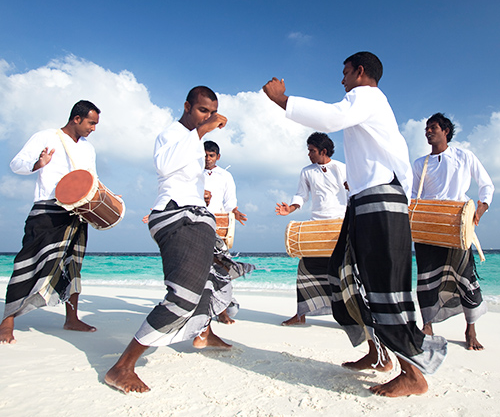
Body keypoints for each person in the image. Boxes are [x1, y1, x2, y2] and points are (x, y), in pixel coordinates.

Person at [263, 51, 447, 397]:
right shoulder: (365, 103)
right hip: (364, 202)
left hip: (381, 201)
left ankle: (413, 374)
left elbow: (332, 117)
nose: (342, 79)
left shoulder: (368, 96)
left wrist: (283, 101)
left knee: (384, 285)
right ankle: (379, 355)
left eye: (345, 72)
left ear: (360, 72)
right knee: (345, 275)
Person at [105, 86, 232, 394]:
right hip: (176, 217)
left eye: (212, 113)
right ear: (187, 106)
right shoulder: (171, 133)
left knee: (210, 281)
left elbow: (182, 176)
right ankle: (122, 367)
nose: (209, 117)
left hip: (197, 216)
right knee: (182, 296)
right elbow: (164, 167)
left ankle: (203, 332)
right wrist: (201, 130)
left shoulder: (194, 141)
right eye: (203, 110)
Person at [0, 100, 101, 344]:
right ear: (76, 118)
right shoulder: (46, 136)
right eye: (91, 123)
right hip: (48, 209)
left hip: (78, 212)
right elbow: (16, 164)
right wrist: (38, 164)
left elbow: (93, 178)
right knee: (28, 261)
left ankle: (71, 318)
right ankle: (7, 320)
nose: (93, 129)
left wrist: (106, 197)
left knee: (72, 266)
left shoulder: (88, 148)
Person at [412, 112, 494, 351]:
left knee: (465, 276)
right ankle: (427, 324)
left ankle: (471, 328)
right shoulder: (420, 163)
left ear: (446, 131)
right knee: (426, 277)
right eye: (426, 128)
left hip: (457, 225)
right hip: (427, 226)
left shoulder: (464, 156)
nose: (428, 131)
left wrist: (481, 208)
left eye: (433, 127)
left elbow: (486, 184)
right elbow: (412, 196)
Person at [276, 132, 347, 326]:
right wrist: (289, 208)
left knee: (343, 273)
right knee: (305, 270)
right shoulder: (306, 171)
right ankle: (301, 315)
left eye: (312, 151)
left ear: (323, 151)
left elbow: (354, 191)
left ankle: (349, 317)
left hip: (339, 225)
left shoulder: (342, 168)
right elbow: (301, 195)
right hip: (315, 226)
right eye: (308, 150)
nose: (309, 154)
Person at [203, 140, 252, 324]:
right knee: (198, 269)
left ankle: (222, 308)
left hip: (218, 226)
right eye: (204, 155)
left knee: (222, 268)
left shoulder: (225, 175)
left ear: (218, 157)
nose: (207, 159)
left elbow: (230, 202)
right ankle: (202, 308)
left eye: (211, 155)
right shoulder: (191, 174)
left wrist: (236, 212)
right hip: (196, 223)